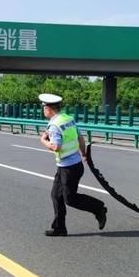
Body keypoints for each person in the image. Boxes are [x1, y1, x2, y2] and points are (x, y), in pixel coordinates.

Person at [38, 93, 107, 237]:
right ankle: (59, 228)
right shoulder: (68, 119)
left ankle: (99, 208)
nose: (43, 110)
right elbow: (80, 138)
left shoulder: (54, 125)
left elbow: (56, 146)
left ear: (49, 109)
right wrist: (83, 155)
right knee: (56, 196)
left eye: (44, 107)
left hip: (69, 168)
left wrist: (43, 140)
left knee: (70, 199)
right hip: (69, 165)